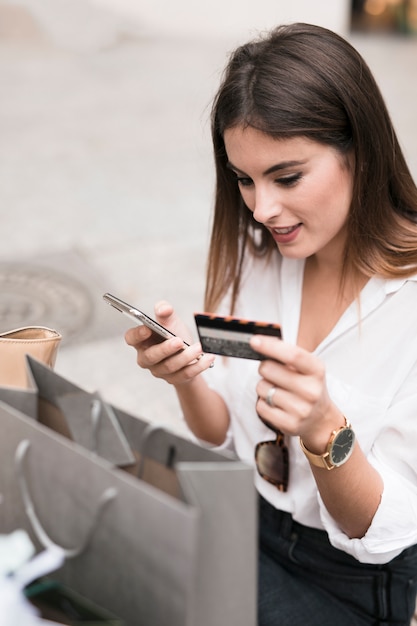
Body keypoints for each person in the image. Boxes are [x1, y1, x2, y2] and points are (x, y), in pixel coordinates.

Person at [125, 22, 417, 625]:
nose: (261, 209)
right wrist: (185, 378)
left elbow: (382, 532)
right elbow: (223, 434)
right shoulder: (261, 255)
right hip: (248, 521)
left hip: (355, 581)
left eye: (287, 177)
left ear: (360, 149)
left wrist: (324, 431)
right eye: (244, 179)